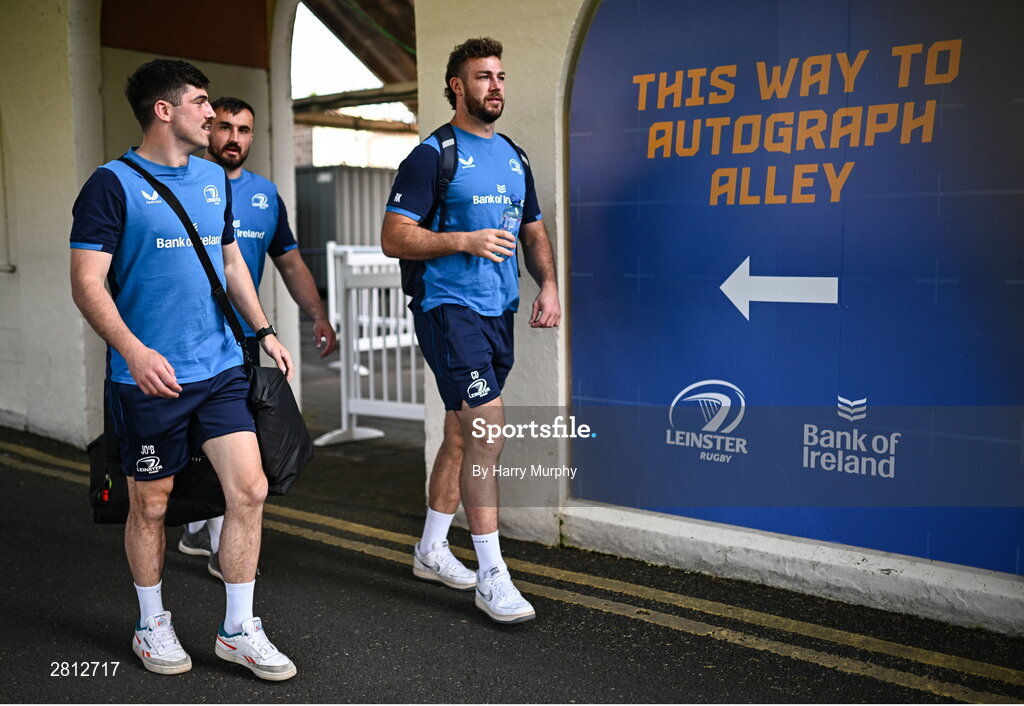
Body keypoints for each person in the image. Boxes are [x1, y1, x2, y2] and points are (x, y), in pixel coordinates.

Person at [69, 59, 297, 681]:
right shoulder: (109, 185)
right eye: (200, 102)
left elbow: (231, 264)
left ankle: (237, 629)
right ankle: (151, 623)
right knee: (151, 503)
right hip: (149, 377)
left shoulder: (212, 180)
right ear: (164, 111)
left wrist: (264, 330)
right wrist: (133, 351)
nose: (211, 113)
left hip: (220, 365)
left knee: (249, 488)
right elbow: (87, 283)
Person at [381, 37, 561, 624]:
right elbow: (394, 236)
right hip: (447, 306)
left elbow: (532, 231)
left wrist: (549, 286)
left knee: (462, 436)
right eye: (483, 77)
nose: (496, 86)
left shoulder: (513, 155)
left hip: (497, 311)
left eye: (501, 76)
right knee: (487, 430)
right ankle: (492, 574)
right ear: (457, 86)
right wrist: (463, 240)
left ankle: (431, 547)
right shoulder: (432, 155)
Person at [177, 96, 337, 578]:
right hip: (183, 338)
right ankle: (201, 527)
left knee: (233, 437)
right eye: (224, 127)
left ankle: (215, 537)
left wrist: (318, 316)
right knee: (191, 439)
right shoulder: (181, 183)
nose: (234, 138)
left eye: (244, 130)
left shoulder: (265, 194)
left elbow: (289, 261)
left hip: (242, 337)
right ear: (207, 129)